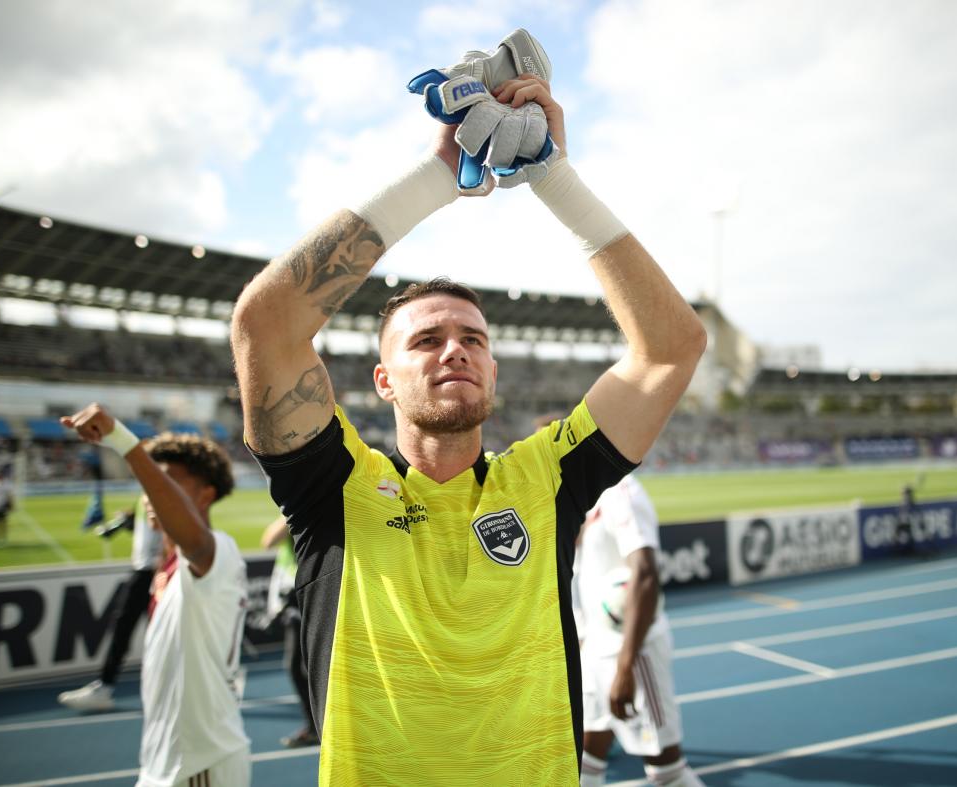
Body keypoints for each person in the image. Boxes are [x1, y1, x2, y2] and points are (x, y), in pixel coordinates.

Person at [230, 69, 706, 784]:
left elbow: (671, 348)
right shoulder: (334, 484)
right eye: (425, 340)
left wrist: (555, 177)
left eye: (474, 340)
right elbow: (265, 325)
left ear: (493, 371)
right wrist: (440, 173)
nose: (455, 348)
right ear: (382, 381)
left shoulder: (547, 477)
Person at [59, 405, 250, 787]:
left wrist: (125, 443)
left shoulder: (219, 553)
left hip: (200, 763)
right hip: (170, 764)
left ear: (205, 495)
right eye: (149, 484)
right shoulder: (165, 571)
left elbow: (195, 541)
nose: (150, 494)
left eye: (167, 483)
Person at [574, 474, 704, 787]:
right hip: (594, 650)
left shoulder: (621, 491)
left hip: (631, 654)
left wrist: (625, 667)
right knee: (585, 760)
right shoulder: (584, 500)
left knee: (666, 767)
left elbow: (645, 575)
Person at [57, 505, 162, 712]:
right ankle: (105, 686)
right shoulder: (146, 493)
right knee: (124, 629)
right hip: (143, 570)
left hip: (155, 572)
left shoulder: (160, 487)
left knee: (156, 634)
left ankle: (106, 686)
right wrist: (131, 522)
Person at [260, 515, 318, 748]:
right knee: (299, 667)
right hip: (293, 595)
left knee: (304, 666)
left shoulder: (300, 509)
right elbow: (269, 541)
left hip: (304, 595)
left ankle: (319, 726)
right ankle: (316, 725)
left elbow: (269, 539)